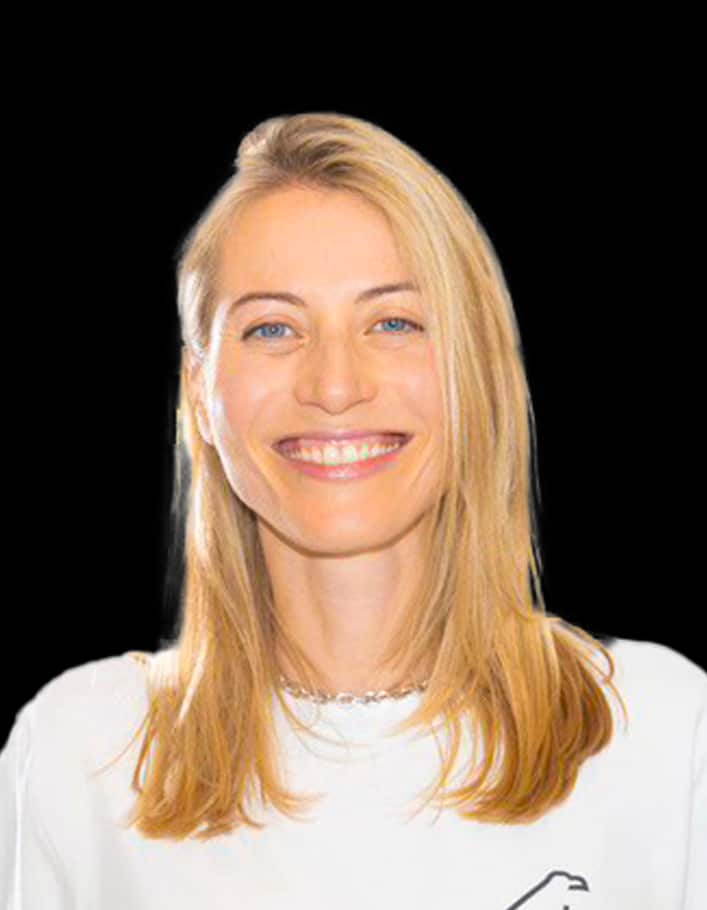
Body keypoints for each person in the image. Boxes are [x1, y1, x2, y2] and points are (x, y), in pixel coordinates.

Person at [1, 112, 705, 909]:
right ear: (200, 391)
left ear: (476, 369)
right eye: (273, 328)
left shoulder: (664, 731)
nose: (334, 386)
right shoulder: (78, 753)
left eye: (393, 322)